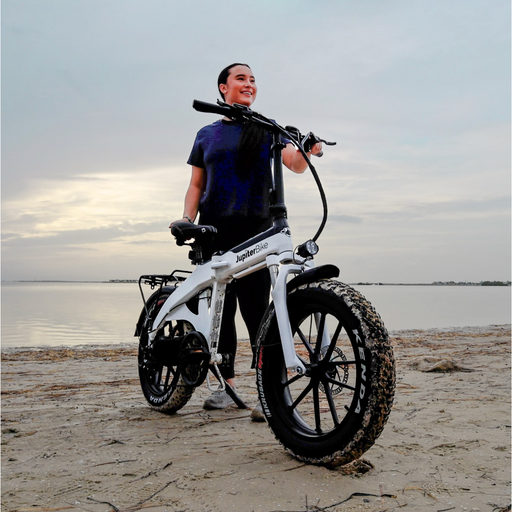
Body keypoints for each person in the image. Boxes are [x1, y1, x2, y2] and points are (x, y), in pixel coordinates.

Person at [174, 63, 321, 420]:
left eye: (253, 80)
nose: (249, 84)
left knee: (258, 309)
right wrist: (187, 221)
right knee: (220, 313)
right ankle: (225, 386)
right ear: (223, 87)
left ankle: (267, 390)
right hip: (214, 230)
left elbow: (294, 163)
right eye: (241, 78)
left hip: (257, 229)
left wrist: (307, 148)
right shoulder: (206, 134)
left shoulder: (267, 129)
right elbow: (196, 183)